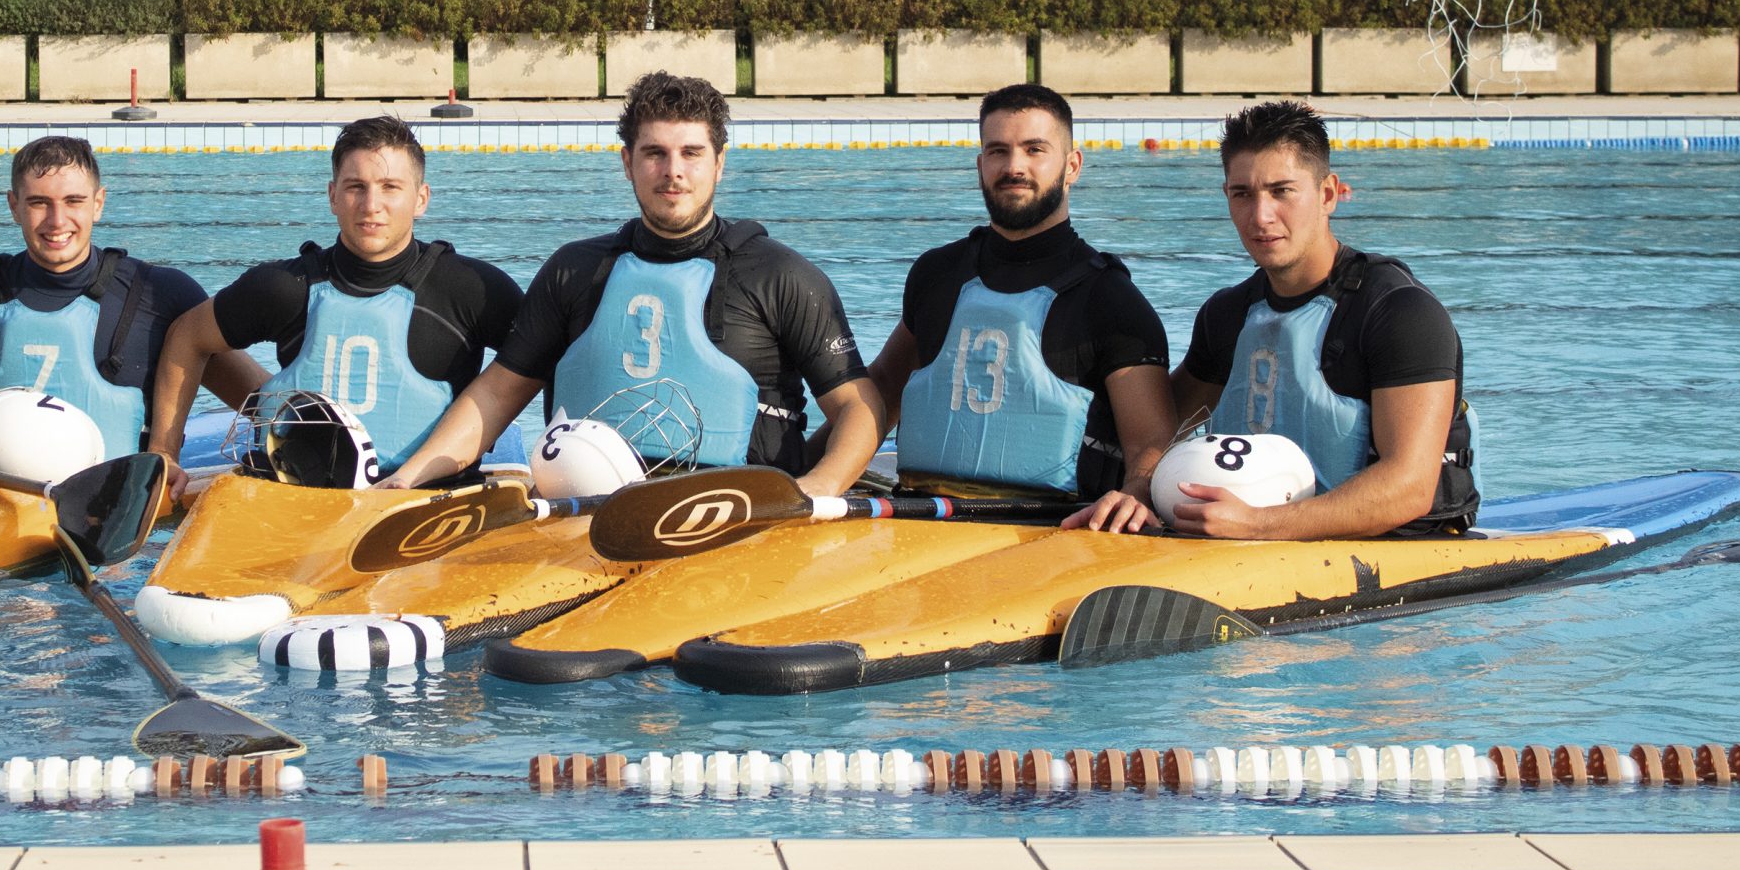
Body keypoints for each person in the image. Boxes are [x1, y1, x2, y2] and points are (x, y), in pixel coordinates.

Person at [382, 72, 883, 496]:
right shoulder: (573, 271)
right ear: (627, 163)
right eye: (655, 154)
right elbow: (495, 396)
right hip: (587, 514)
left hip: (734, 520)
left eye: (691, 152)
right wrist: (407, 479)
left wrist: (815, 490)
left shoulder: (781, 276)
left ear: (719, 163)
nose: (674, 172)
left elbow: (858, 407)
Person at [1068, 99, 1478, 538]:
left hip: (1402, 549)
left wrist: (1258, 524)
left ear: (1326, 195)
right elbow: (1165, 428)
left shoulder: (1400, 313)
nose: (1261, 217)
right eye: (1243, 194)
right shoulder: (1227, 315)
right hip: (1253, 539)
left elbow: (1410, 487)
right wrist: (1139, 490)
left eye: (1282, 191)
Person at [144, 115, 524, 499]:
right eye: (355, 187)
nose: (371, 204)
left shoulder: (472, 291)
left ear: (421, 198)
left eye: (390, 187)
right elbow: (188, 337)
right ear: (332, 196)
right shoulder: (284, 288)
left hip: (426, 500)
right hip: (295, 500)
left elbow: (541, 363)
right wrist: (164, 453)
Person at [856, 84, 1176, 526]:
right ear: (980, 165)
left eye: (1034, 149)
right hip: (922, 521)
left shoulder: (1111, 300)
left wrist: (1136, 492)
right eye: (998, 151)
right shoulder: (936, 273)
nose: (1014, 167)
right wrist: (804, 472)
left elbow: (1151, 445)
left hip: (1053, 532)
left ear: (1072, 166)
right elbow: (881, 390)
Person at [0, 134, 264, 463]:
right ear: (13, 206)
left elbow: (259, 402)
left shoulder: (163, 294)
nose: (57, 221)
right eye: (39, 203)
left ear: (98, 203)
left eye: (73, 201)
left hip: (113, 511)